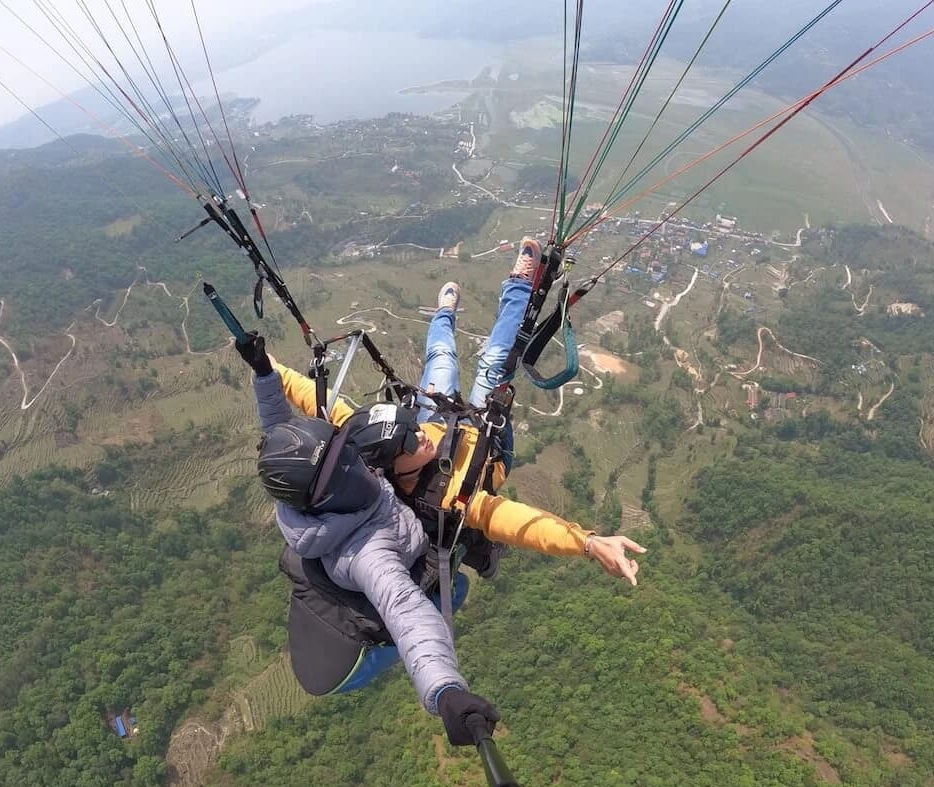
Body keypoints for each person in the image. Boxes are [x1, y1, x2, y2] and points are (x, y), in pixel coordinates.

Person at [263, 237, 647, 584]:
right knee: (495, 362)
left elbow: (320, 401)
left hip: (440, 414)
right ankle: (518, 285)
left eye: (409, 427)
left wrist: (268, 370)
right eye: (410, 441)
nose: (419, 435)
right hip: (485, 441)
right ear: (396, 468)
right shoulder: (450, 497)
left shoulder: (377, 437)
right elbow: (519, 523)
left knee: (441, 356)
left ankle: (444, 314)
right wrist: (589, 543)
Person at [238, 338, 499, 746]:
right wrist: (445, 691)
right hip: (351, 662)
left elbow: (278, 431)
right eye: (342, 468)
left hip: (326, 625)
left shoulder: (311, 484)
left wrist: (264, 373)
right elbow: (407, 613)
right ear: (323, 498)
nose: (356, 463)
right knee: (456, 585)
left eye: (346, 451)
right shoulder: (367, 553)